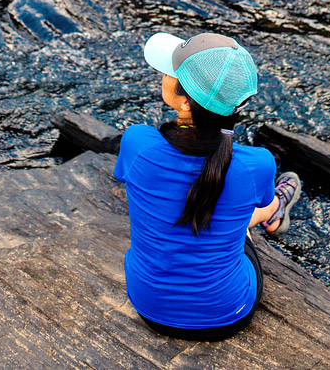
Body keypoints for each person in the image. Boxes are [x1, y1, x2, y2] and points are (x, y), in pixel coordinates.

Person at [113, 31, 301, 340]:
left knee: (226, 212)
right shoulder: (257, 164)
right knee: (250, 213)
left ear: (184, 101)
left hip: (149, 306)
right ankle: (277, 208)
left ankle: (268, 212)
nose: (163, 75)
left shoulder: (137, 143)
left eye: (171, 72)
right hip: (227, 312)